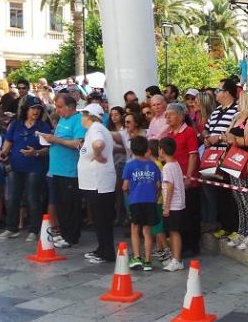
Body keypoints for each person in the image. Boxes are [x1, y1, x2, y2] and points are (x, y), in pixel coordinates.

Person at [0, 99, 50, 242]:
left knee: (32, 198)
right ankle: (11, 228)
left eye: (38, 108)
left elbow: (48, 149)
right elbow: (8, 142)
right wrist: (3, 153)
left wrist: (36, 152)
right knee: (13, 197)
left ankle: (34, 230)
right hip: (15, 166)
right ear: (26, 109)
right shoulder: (16, 124)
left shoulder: (43, 126)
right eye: (33, 108)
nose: (36, 111)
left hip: (35, 167)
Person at [39, 92, 86, 249]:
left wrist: (55, 140)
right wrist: (49, 140)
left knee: (70, 206)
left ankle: (72, 237)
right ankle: (65, 233)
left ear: (70, 107)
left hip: (69, 170)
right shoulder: (62, 120)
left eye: (59, 107)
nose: (57, 110)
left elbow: (77, 143)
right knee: (61, 205)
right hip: (57, 170)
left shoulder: (78, 120)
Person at [79, 103, 118, 264]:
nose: (81, 118)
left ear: (89, 116)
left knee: (102, 219)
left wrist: (97, 154)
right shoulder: (97, 129)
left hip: (98, 182)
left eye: (83, 114)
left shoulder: (96, 128)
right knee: (100, 218)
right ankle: (103, 248)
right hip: (96, 182)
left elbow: (99, 144)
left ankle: (107, 252)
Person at [162, 102, 200, 257]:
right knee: (179, 215)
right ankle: (181, 245)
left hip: (187, 180)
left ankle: (192, 245)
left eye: (170, 114)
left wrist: (189, 177)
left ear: (180, 116)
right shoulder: (170, 134)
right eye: (166, 115)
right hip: (175, 179)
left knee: (191, 213)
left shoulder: (189, 132)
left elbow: (193, 155)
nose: (167, 117)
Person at [204, 78, 240, 238]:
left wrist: (218, 138)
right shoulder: (216, 110)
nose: (216, 93)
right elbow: (206, 128)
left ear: (227, 93)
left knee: (229, 192)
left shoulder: (237, 110)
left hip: (227, 155)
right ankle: (224, 225)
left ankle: (234, 227)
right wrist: (206, 137)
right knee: (217, 190)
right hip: (212, 155)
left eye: (219, 90)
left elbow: (235, 131)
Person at [222, 92, 248, 250]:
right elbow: (228, 134)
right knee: (238, 199)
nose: (237, 102)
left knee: (247, 199)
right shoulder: (237, 116)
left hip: (244, 160)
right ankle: (242, 231)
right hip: (233, 159)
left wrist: (233, 140)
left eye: (240, 99)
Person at [122, 135, 161, 271]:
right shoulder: (153, 165)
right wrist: (155, 197)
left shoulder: (130, 165)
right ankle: (148, 261)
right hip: (150, 201)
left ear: (132, 150)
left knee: (135, 229)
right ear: (146, 149)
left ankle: (137, 257)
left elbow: (125, 186)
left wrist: (130, 193)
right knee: (147, 230)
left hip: (136, 201)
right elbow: (158, 185)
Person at [160, 136, 187, 271]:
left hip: (173, 205)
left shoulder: (167, 167)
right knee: (174, 232)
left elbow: (169, 186)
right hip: (179, 204)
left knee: (174, 232)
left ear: (162, 150)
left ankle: (176, 260)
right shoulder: (176, 164)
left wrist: (166, 207)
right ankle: (176, 259)